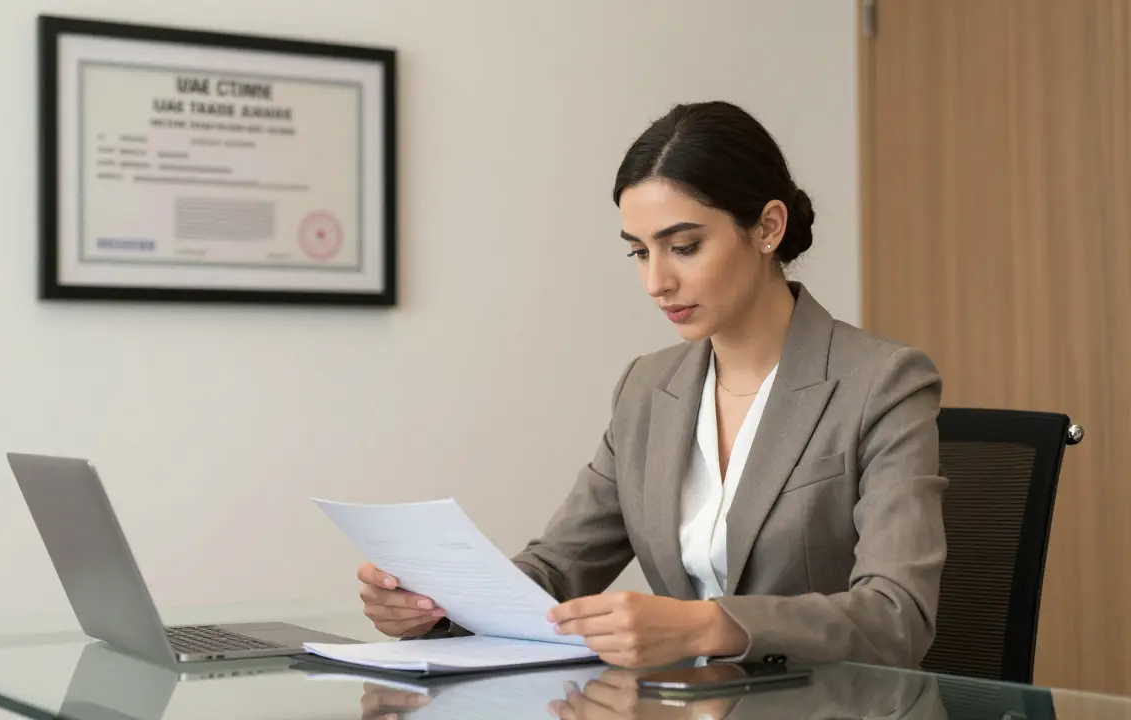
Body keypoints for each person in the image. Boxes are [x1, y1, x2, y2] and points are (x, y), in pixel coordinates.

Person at [355, 100, 946, 669]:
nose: (656, 282)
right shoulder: (647, 387)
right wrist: (435, 606)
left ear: (767, 228)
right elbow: (558, 570)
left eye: (683, 247)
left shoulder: (882, 382)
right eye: (639, 252)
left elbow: (896, 617)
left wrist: (708, 626)